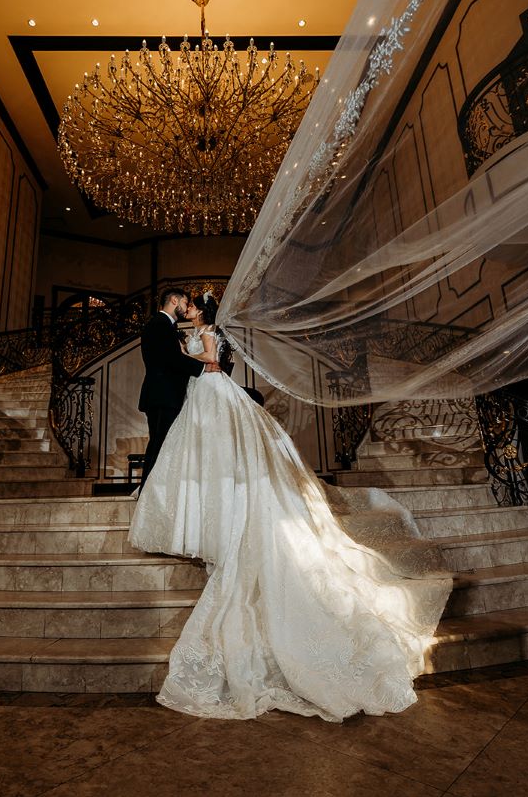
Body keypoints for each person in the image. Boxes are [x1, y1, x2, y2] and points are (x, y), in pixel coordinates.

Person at [129, 290, 452, 722]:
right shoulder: (185, 331)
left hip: (209, 389)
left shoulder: (207, 333)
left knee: (217, 449)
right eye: (182, 305)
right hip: (201, 394)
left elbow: (211, 363)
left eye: (190, 306)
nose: (186, 309)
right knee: (196, 451)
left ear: (200, 311)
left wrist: (200, 362)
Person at [137, 287, 220, 490]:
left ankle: (155, 489)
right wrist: (203, 368)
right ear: (174, 300)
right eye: (185, 302)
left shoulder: (163, 324)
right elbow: (171, 360)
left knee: (162, 444)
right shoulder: (160, 324)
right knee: (160, 444)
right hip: (163, 395)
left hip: (163, 394)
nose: (185, 307)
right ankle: (148, 490)